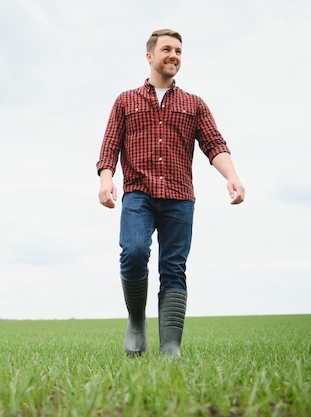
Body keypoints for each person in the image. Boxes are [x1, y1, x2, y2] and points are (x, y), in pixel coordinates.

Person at [96, 29, 245, 357]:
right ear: (150, 56)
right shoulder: (125, 101)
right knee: (133, 252)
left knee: (174, 266)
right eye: (166, 49)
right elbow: (109, 145)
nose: (173, 55)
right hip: (138, 193)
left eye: (178, 50)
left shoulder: (194, 104)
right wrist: (106, 180)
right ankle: (137, 322)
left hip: (179, 196)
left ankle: (171, 346)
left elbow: (214, 144)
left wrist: (232, 177)